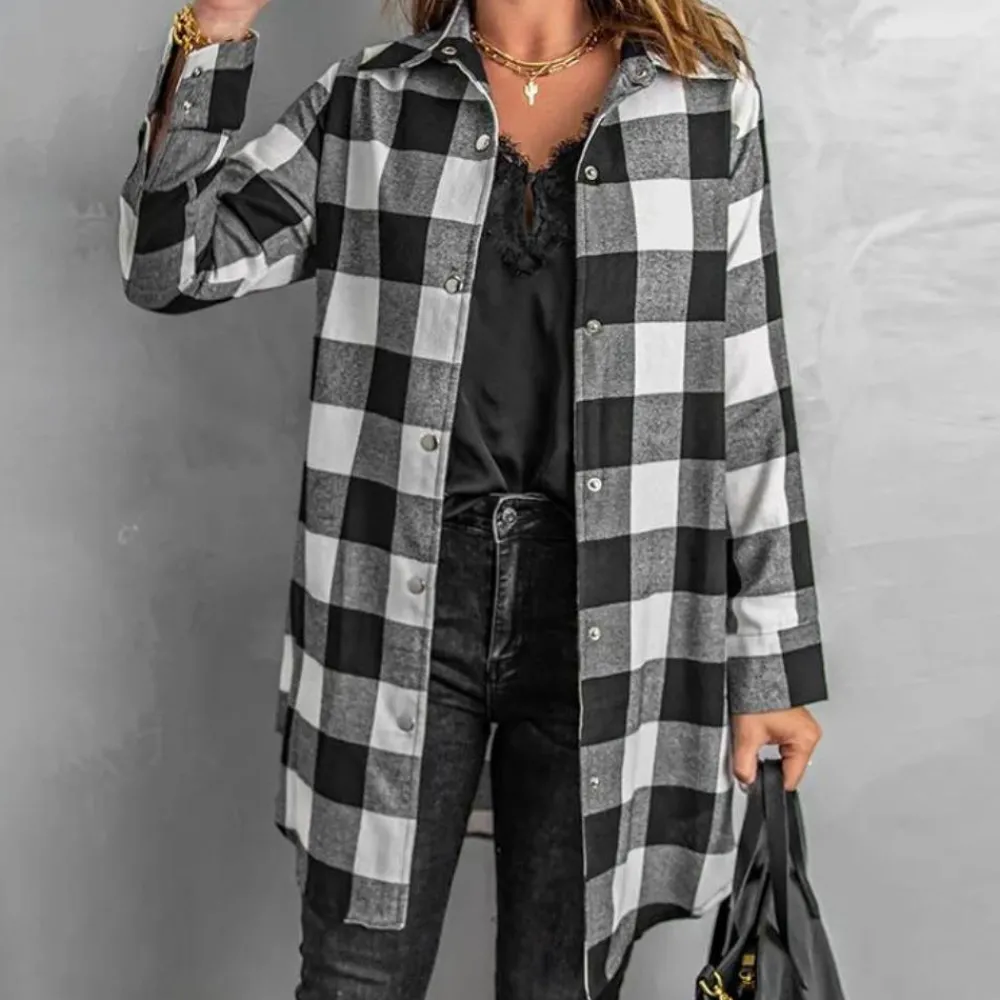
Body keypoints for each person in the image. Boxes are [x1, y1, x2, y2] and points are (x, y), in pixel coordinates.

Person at [118, 0, 828, 996]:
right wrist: (217, 25)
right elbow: (168, 266)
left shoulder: (705, 105)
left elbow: (747, 393)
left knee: (560, 983)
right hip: (398, 598)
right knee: (356, 978)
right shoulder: (373, 99)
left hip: (616, 609)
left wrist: (771, 667)